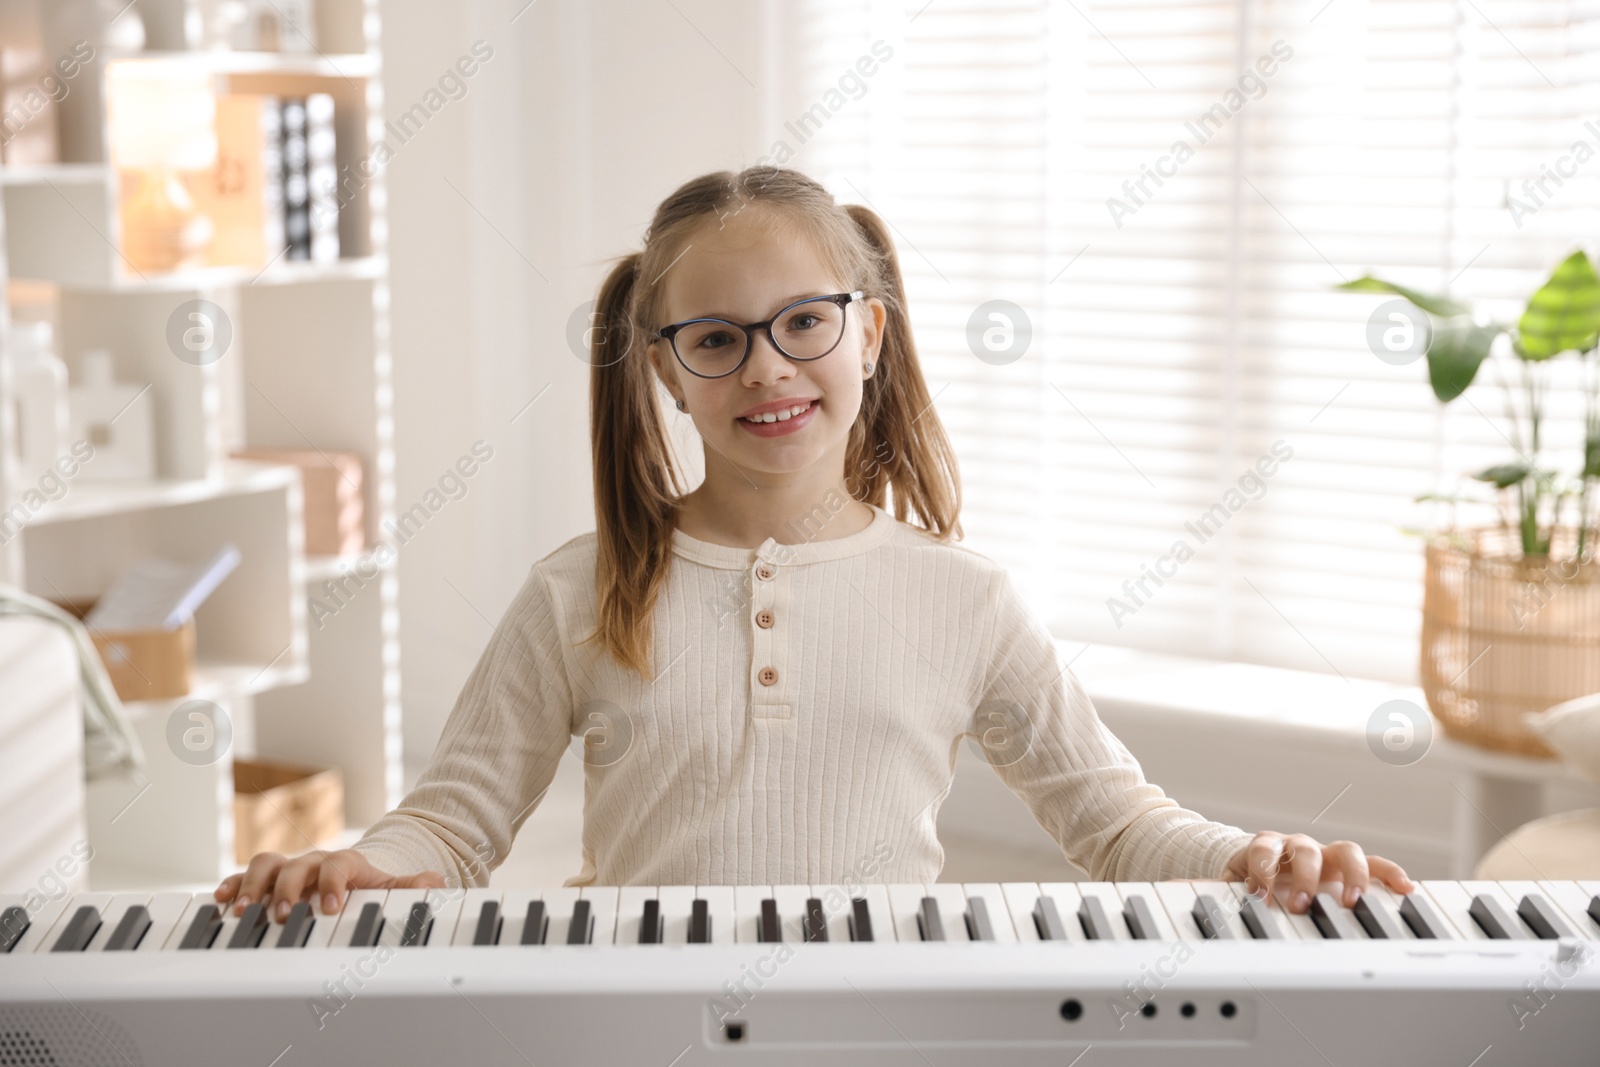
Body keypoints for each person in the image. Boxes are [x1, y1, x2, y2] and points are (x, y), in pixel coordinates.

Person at [215, 166, 1414, 925]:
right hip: (640, 1014)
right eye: (717, 340)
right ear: (669, 373)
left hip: (883, 1015)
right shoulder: (578, 590)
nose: (769, 368)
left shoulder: (966, 599)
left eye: (804, 322)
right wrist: (367, 858)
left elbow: (1114, 819)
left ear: (870, 333)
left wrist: (1253, 854)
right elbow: (457, 820)